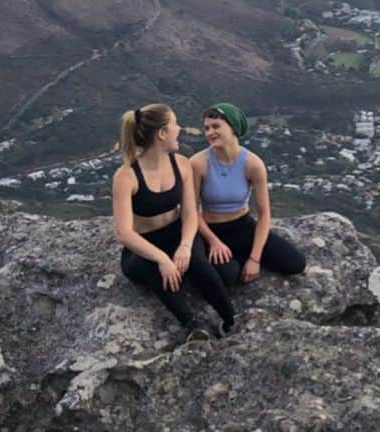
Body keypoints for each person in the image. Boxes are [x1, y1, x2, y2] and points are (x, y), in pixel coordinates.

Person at [112, 103, 235, 336]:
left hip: (177, 232)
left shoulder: (181, 164)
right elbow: (125, 232)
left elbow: (190, 214)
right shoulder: (126, 177)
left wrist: (186, 246)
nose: (180, 128)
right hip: (144, 244)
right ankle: (192, 327)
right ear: (162, 133)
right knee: (158, 273)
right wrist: (162, 259)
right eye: (175, 124)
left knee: (198, 264)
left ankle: (230, 320)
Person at [192, 102, 306, 285]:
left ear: (233, 128)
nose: (209, 132)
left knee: (296, 264)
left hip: (243, 227)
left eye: (216, 127)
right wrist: (213, 242)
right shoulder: (198, 163)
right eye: (206, 128)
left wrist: (255, 259)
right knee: (228, 277)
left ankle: (242, 258)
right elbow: (190, 211)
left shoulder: (253, 164)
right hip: (212, 232)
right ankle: (232, 262)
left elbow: (264, 214)